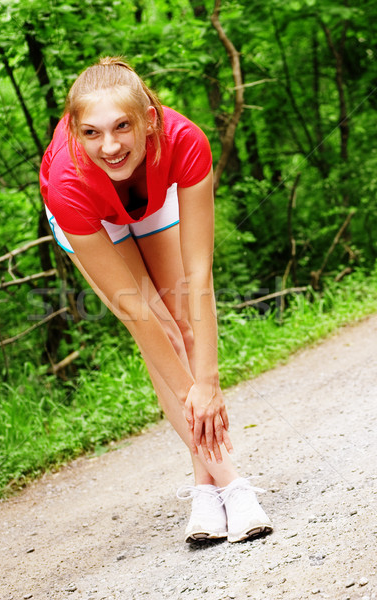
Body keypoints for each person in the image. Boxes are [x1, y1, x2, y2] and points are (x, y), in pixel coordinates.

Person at [39, 56, 272, 543]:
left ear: (149, 119)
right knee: (160, 330)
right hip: (90, 212)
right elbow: (138, 314)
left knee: (184, 321)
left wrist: (207, 383)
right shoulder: (68, 178)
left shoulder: (185, 141)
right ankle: (231, 484)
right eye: (92, 132)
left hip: (155, 190)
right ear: (77, 135)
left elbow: (200, 274)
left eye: (123, 126)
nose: (110, 144)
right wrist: (196, 394)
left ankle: (204, 493)